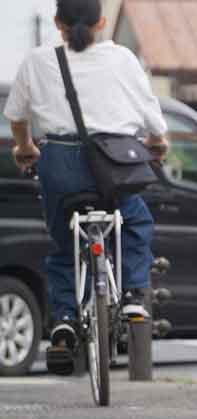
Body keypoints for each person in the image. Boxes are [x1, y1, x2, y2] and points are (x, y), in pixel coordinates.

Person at [5, 0, 168, 376]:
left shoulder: (37, 60)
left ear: (57, 23)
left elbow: (16, 118)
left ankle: (63, 319)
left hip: (59, 163)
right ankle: (131, 295)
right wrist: (157, 143)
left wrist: (26, 147)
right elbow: (151, 116)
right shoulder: (123, 58)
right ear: (103, 22)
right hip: (114, 161)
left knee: (64, 241)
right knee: (134, 220)